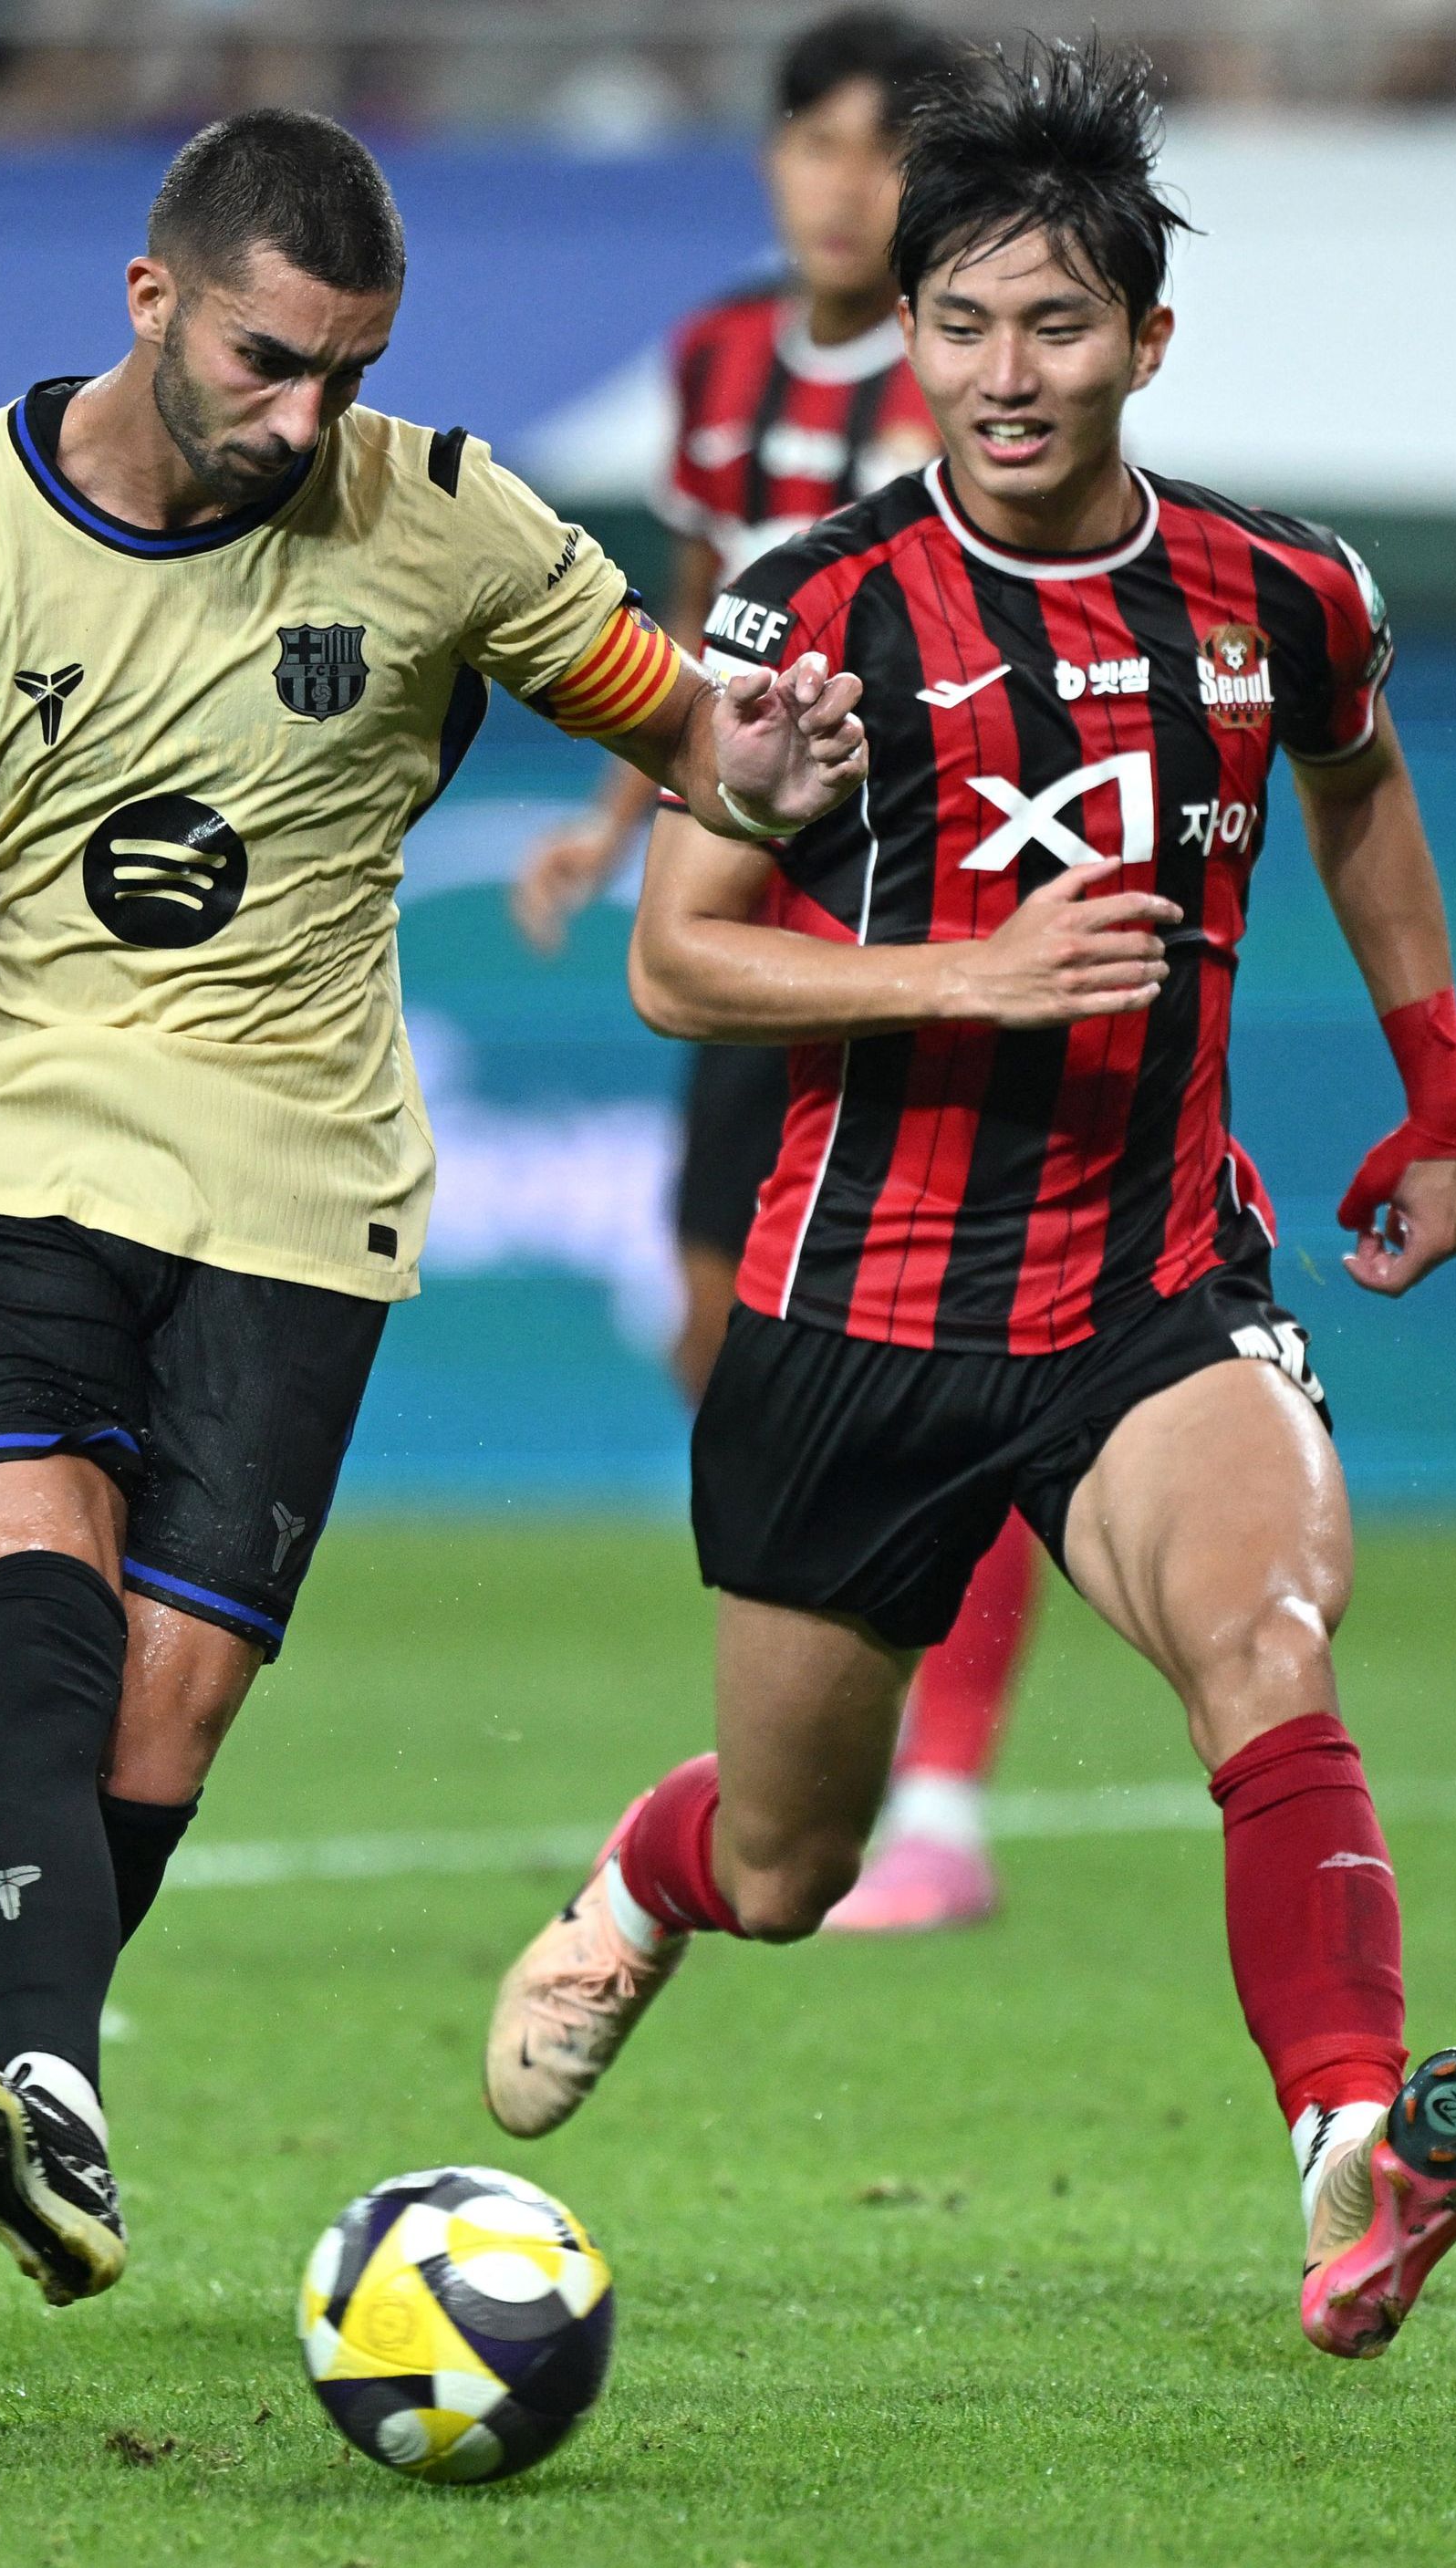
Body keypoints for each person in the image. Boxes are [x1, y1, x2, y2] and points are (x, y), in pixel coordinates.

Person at [0, 110, 726, 2422]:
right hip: (17, 1140)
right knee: (25, 1602)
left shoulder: (441, 519)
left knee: (159, 1731)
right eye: (267, 360)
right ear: (150, 300)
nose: (304, 417)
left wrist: (782, 752)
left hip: (302, 1185)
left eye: (347, 371)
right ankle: (58, 2087)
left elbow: (680, 726)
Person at [473, 39, 1456, 2361]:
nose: (1003, 373)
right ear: (910, 337)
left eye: (1053, 326)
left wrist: (1432, 1095)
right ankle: (654, 1876)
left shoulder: (1277, 591)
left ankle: (1348, 2148)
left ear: (1147, 341)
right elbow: (674, 958)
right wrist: (972, 966)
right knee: (786, 1857)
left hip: (1154, 1282)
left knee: (1267, 1638)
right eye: (960, 325)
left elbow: (1358, 793)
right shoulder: (808, 607)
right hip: (857, 1308)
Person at [512, 7, 1033, 1938]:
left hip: (914, 907)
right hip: (746, 901)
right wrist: (610, 806)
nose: (839, 185)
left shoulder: (972, 365)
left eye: (877, 153)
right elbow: (687, 625)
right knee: (722, 1332)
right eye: (811, 144)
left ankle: (943, 1801)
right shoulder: (721, 362)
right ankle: (843, 1713)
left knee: (955, 1362)